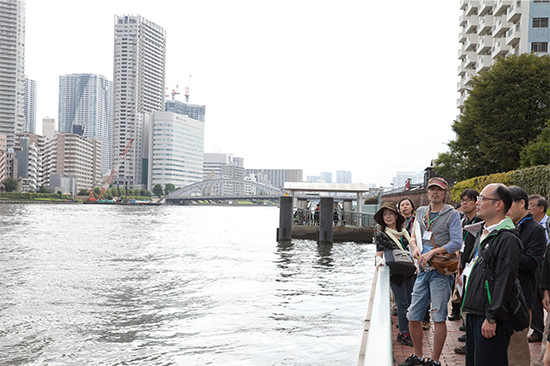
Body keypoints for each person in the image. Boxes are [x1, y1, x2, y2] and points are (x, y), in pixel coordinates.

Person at [398, 177, 462, 366]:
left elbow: (457, 242)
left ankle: (434, 360)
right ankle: (418, 356)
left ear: (445, 193)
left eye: (439, 190)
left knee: (438, 316)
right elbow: (412, 236)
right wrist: (415, 247)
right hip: (423, 270)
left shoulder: (452, 214)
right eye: (432, 189)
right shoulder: (421, 212)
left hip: (441, 272)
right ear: (427, 192)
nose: (435, 193)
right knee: (413, 314)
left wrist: (434, 251)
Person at [462, 183, 522, 366]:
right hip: (475, 312)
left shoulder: (507, 238)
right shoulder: (484, 232)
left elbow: (505, 280)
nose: (477, 202)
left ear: (499, 205)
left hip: (489, 318)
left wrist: (492, 316)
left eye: (482, 198)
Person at [505, 186, 546, 365]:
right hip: (499, 296)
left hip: (520, 298)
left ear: (522, 203)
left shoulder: (535, 230)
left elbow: (531, 263)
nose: (504, 208)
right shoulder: (504, 227)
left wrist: (505, 254)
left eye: (508, 203)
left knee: (516, 351)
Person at [374, 202, 416, 347]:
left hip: (409, 271)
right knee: (402, 304)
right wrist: (379, 262)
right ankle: (404, 333)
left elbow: (412, 248)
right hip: (395, 273)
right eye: (385, 215)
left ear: (396, 216)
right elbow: (378, 254)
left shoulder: (404, 232)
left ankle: (406, 331)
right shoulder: (382, 235)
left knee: (410, 303)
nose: (388, 217)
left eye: (390, 214)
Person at [453, 188, 480, 355]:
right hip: (463, 267)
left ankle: (471, 342)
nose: (464, 203)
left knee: (471, 306)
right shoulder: (463, 221)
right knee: (465, 302)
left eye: (468, 200)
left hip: (474, 269)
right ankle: (469, 337)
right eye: (462, 200)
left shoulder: (479, 222)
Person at [399, 197, 431, 331]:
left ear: (412, 207)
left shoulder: (417, 221)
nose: (404, 207)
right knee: (411, 290)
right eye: (402, 205)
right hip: (404, 258)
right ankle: (409, 318)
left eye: (407, 204)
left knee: (422, 287)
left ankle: (425, 318)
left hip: (419, 256)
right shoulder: (398, 222)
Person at [528, 194, 549, 344]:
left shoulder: (548, 224)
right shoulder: (529, 225)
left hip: (546, 265)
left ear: (541, 208)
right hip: (535, 264)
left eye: (531, 205)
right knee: (535, 296)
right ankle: (537, 330)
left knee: (546, 296)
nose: (528, 208)